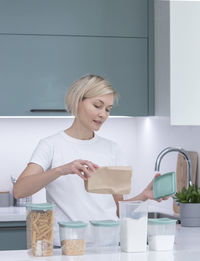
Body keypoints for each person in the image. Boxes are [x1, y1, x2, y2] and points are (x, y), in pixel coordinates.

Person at [14, 74, 166, 246]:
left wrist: (144, 196)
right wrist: (62, 170)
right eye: (97, 105)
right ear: (78, 101)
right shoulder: (50, 145)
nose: (103, 114)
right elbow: (19, 190)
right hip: (68, 246)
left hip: (108, 245)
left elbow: (118, 210)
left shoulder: (113, 149)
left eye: (108, 109)